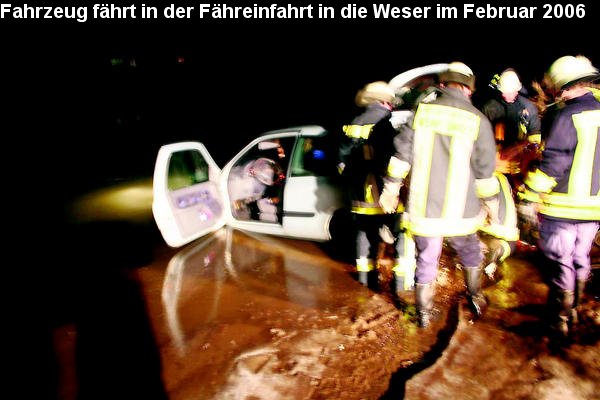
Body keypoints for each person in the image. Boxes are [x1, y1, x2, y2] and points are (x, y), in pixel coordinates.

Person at [379, 62, 498, 327]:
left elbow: (401, 156)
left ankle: (423, 314)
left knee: (427, 259)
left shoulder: (421, 113)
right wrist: (491, 204)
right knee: (470, 253)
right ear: (469, 89)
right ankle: (475, 298)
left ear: (442, 85)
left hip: (425, 207)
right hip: (462, 209)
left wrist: (391, 188)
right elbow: (485, 171)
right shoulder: (478, 119)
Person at [521, 55, 600, 339]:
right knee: (581, 257)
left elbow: (554, 163)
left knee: (560, 260)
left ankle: (560, 319)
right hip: (594, 208)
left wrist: (530, 196)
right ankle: (574, 309)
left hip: (564, 208)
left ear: (563, 86)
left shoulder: (568, 116)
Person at [337, 81, 405, 288]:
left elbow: (341, 160)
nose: (391, 106)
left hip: (359, 192)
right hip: (384, 190)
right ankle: (400, 284)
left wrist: (351, 178)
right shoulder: (387, 122)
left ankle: (365, 281)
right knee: (401, 233)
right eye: (390, 102)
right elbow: (393, 156)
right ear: (383, 101)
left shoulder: (353, 123)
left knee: (364, 233)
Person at [482, 69, 542, 184]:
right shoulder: (490, 108)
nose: (505, 95)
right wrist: (493, 157)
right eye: (503, 92)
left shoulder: (528, 108)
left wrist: (522, 153)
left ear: (517, 90)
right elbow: (482, 138)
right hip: (497, 164)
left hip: (520, 163)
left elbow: (535, 137)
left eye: (510, 92)